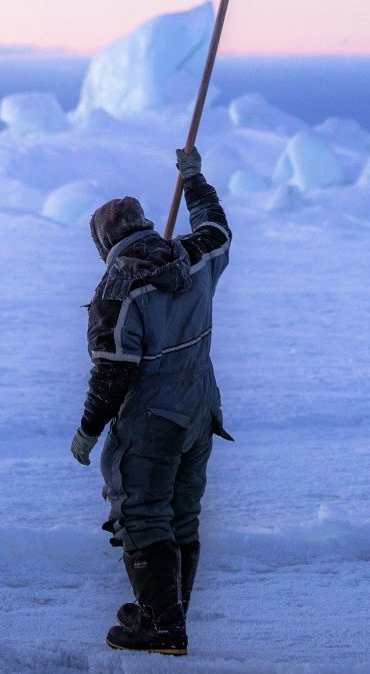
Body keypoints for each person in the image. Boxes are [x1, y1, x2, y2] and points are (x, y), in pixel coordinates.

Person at [69, 146, 233, 656]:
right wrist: (195, 183)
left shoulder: (116, 292)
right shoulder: (195, 255)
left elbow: (114, 373)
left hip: (152, 418)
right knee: (182, 514)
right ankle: (165, 611)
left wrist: (88, 431)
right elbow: (219, 230)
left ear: (105, 245)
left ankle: (162, 627)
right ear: (143, 225)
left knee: (141, 514)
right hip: (199, 407)